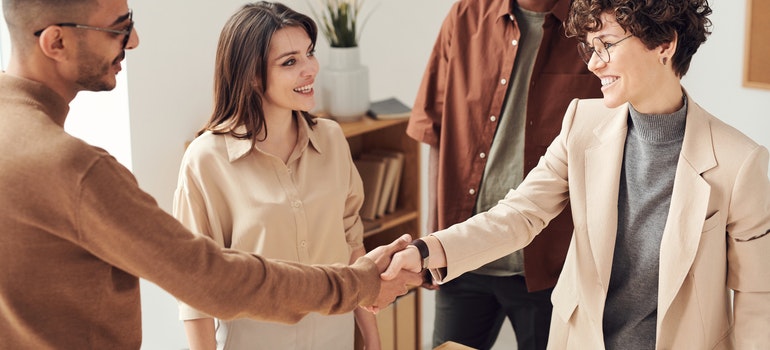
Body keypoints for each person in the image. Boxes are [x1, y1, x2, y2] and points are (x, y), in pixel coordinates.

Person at [0, 0, 421, 348]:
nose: (135, 41)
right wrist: (357, 284)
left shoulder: (330, 139)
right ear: (55, 41)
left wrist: (366, 326)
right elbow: (205, 281)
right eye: (119, 28)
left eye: (309, 53)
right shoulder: (82, 168)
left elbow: (349, 235)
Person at [388, 0, 770, 348]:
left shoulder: (740, 162)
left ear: (664, 45)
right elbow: (519, 215)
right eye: (591, 47)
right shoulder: (581, 124)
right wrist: (424, 251)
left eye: (606, 44)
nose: (593, 63)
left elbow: (758, 296)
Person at [173, 2, 380, 349]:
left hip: (336, 340)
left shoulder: (331, 139)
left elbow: (352, 245)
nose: (310, 69)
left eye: (309, 54)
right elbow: (194, 288)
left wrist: (371, 340)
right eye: (290, 62)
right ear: (252, 76)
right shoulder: (206, 160)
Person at [407, 0, 601, 348]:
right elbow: (435, 131)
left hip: (550, 264)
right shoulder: (465, 16)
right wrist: (435, 236)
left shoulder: (594, 23)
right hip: (461, 258)